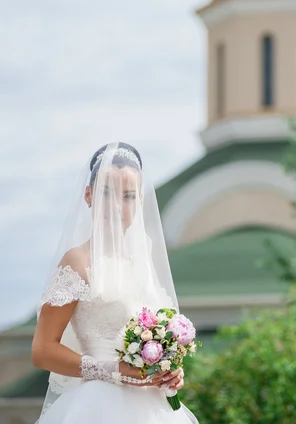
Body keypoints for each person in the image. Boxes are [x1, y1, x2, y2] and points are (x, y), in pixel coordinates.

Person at [32, 141, 199, 423]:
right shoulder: (78, 261)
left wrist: (170, 370)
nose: (117, 205)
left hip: (154, 409)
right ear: (88, 195)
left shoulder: (143, 267)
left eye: (129, 195)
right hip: (98, 406)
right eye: (106, 193)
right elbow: (43, 350)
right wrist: (113, 370)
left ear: (140, 202)